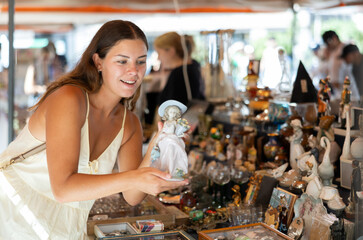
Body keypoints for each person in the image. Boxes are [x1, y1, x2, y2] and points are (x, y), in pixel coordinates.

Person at [0, 20, 188, 239]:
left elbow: (132, 196)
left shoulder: (130, 124)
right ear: (98, 62)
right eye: (122, 61)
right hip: (14, 211)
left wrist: (158, 145)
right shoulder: (69, 99)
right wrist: (135, 178)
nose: (134, 71)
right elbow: (63, 188)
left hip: (66, 225)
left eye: (141, 61)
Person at [153, 31, 205, 106]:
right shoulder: (193, 66)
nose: (158, 58)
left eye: (159, 53)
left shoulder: (180, 73)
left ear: (171, 51)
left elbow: (170, 108)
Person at [150, 100, 190, 179]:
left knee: (172, 152)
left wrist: (182, 134)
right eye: (171, 112)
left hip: (173, 140)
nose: (172, 114)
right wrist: (156, 142)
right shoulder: (166, 123)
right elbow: (162, 132)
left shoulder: (175, 123)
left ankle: (173, 171)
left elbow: (178, 132)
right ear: (167, 113)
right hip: (164, 139)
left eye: (174, 112)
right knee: (163, 155)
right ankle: (165, 170)